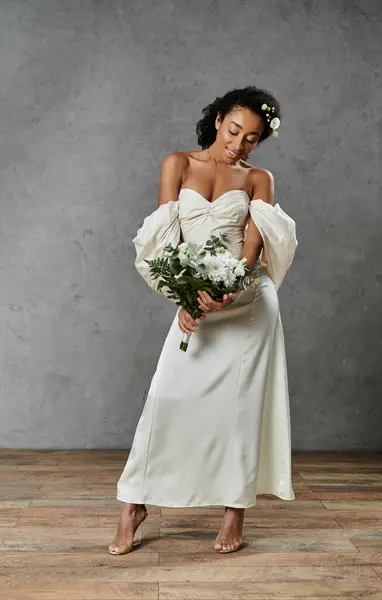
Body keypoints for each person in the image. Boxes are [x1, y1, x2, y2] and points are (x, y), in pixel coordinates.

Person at [108, 85, 298, 556]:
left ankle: (234, 514)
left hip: (247, 303)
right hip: (194, 299)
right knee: (165, 396)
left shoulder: (259, 179)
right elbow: (163, 242)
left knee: (241, 408)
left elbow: (252, 254)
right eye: (234, 130)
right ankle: (133, 506)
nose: (239, 144)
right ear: (217, 120)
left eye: (252, 138)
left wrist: (229, 289)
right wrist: (186, 297)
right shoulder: (178, 164)